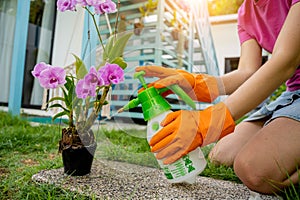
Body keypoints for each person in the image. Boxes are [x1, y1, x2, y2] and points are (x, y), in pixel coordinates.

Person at [135, 0, 300, 194]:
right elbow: (247, 73)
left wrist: (209, 122)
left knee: (254, 170)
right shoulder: (245, 13)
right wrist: (195, 84)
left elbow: (286, 60)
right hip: (291, 95)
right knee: (220, 155)